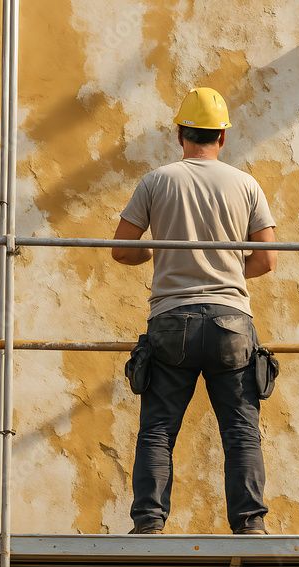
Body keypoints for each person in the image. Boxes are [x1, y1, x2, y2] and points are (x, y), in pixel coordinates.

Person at [113, 87, 278, 536]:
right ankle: (250, 525)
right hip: (231, 323)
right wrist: (227, 271)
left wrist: (155, 255)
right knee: (241, 432)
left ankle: (148, 522)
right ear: (222, 137)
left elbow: (122, 250)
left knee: (159, 430)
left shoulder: (157, 180)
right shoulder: (246, 184)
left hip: (172, 321)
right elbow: (265, 258)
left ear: (179, 134)